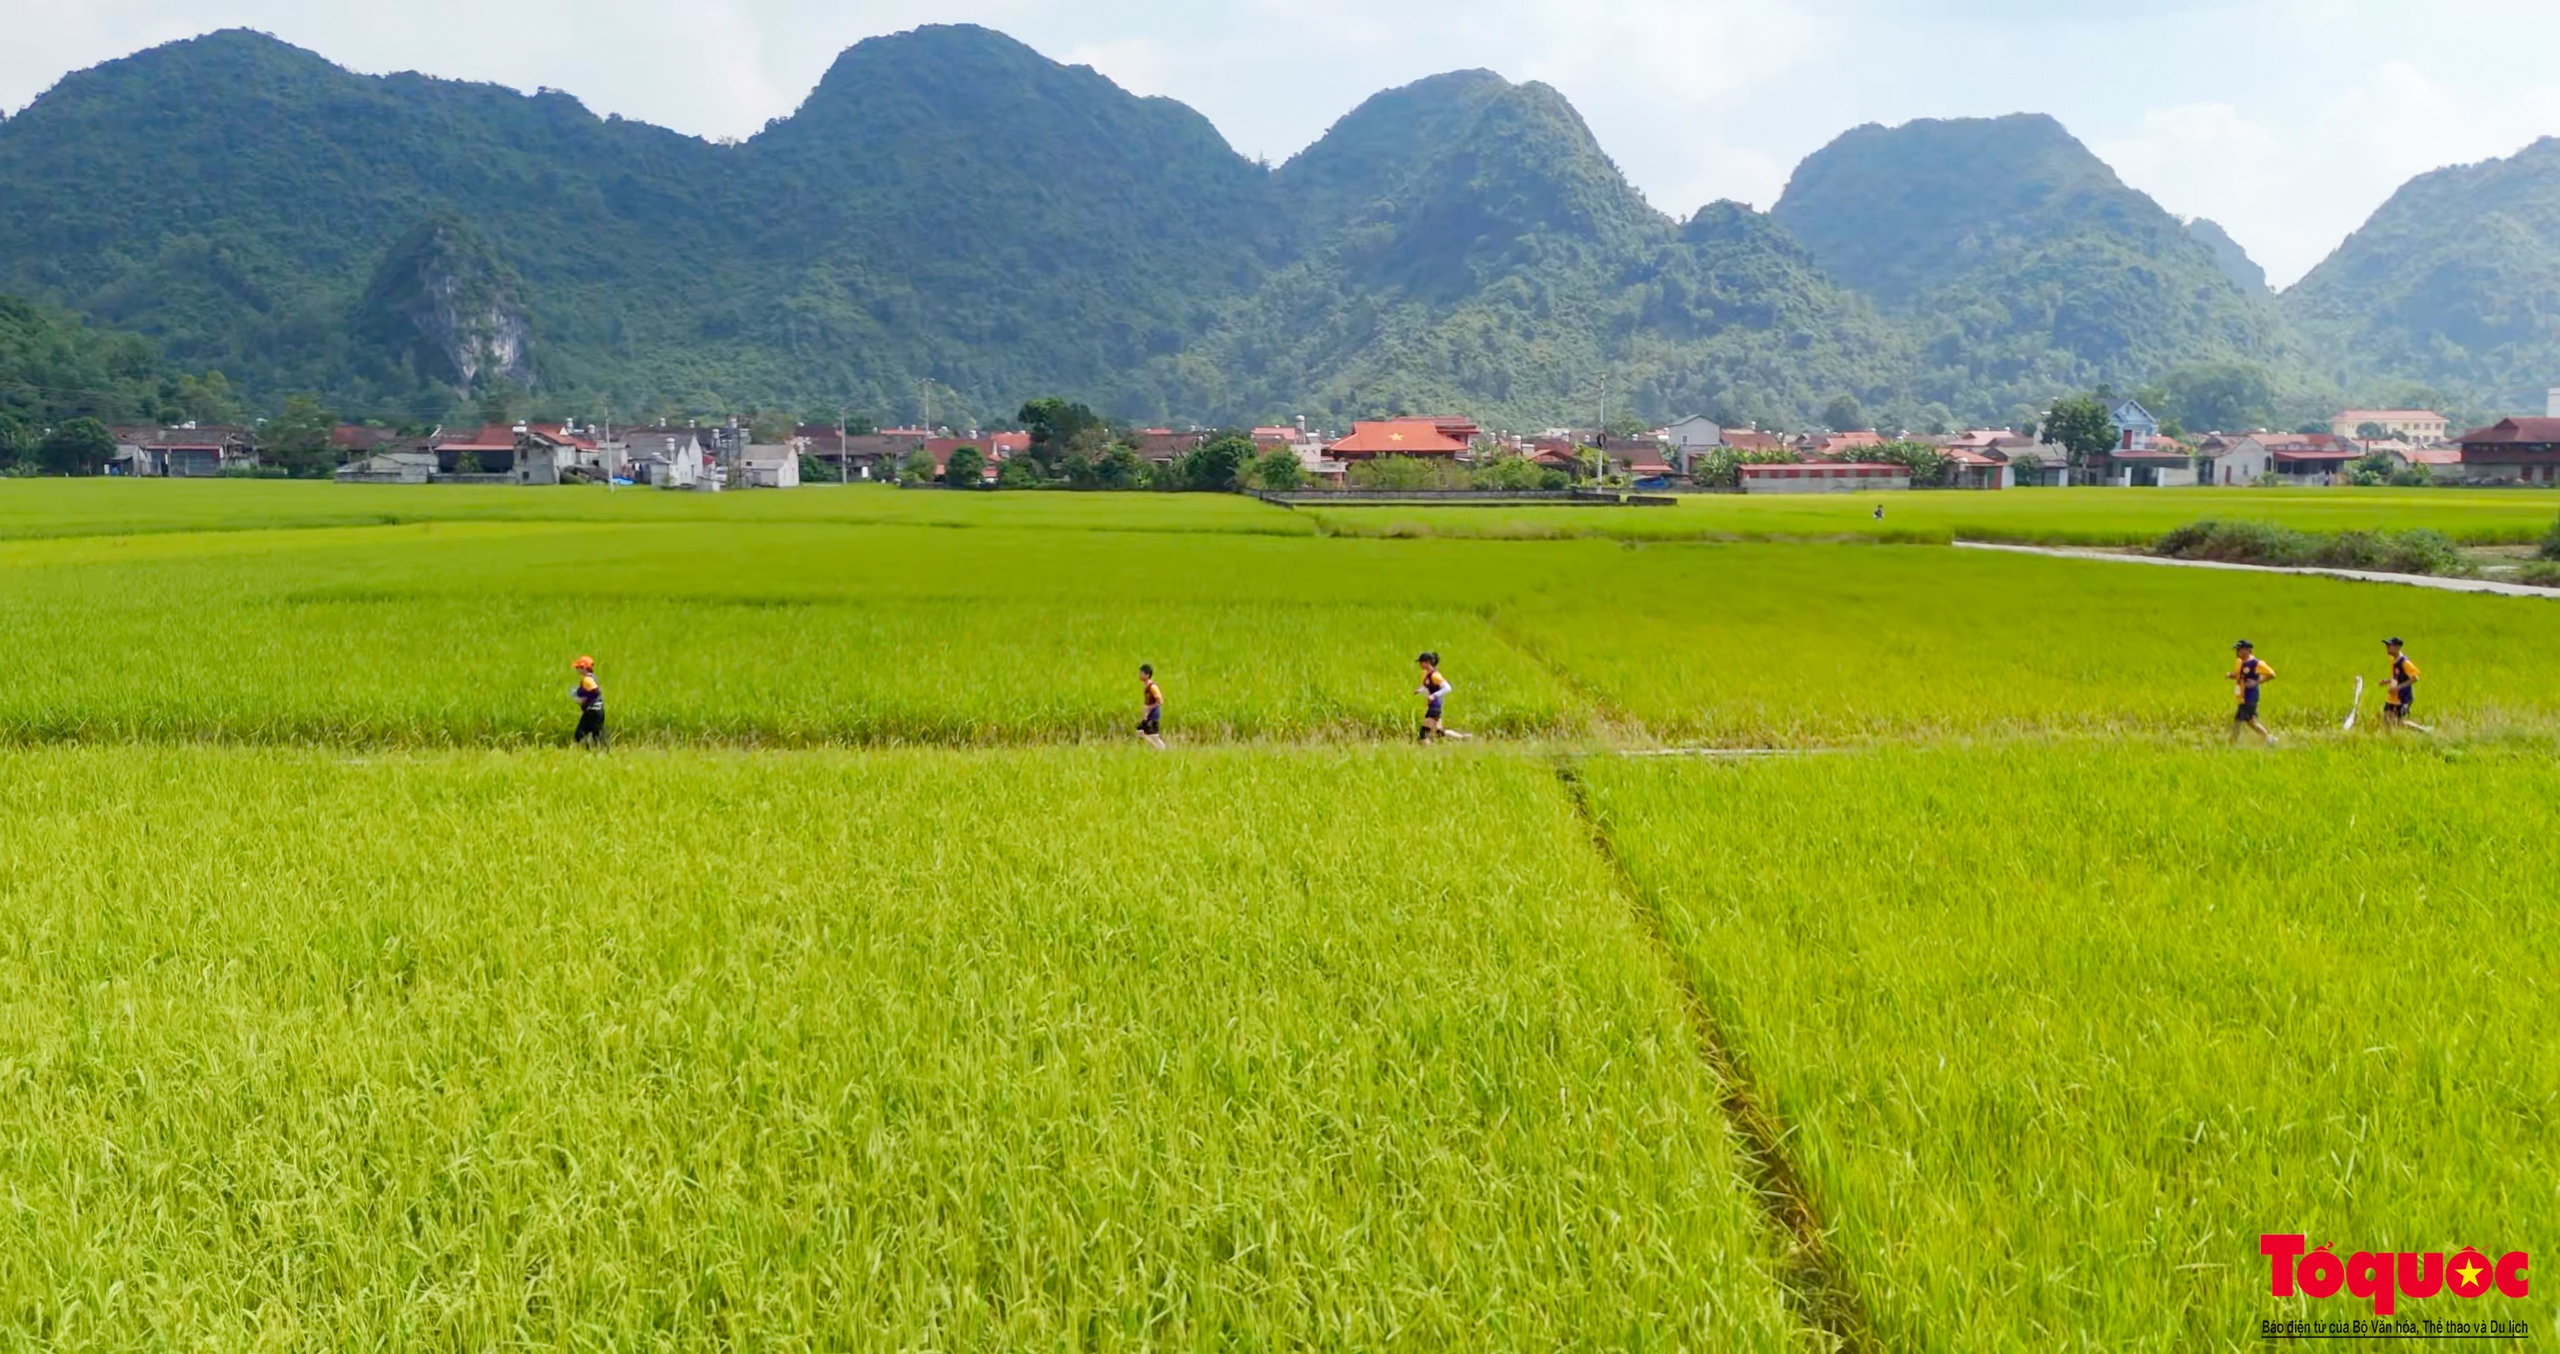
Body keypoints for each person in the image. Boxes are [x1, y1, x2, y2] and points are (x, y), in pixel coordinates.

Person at [2228, 640, 2275, 744]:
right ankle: (2268, 738)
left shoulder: (2256, 663)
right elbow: (2240, 675)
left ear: (2247, 650)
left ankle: (2232, 742)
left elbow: (2271, 674)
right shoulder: (2241, 662)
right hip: (2243, 697)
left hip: (2250, 697)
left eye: (2239, 650)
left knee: (2238, 720)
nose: (2237, 652)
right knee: (2251, 722)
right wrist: (2231, 675)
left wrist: (2257, 682)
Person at [1416, 652, 1467, 743]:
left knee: (1424, 733)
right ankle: (1463, 738)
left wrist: (1434, 696)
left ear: (1427, 662)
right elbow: (1428, 686)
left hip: (1435, 706)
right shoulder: (1425, 674)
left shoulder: (1435, 675)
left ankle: (1426, 750)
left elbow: (1447, 688)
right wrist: (1420, 690)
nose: (1420, 664)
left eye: (1421, 662)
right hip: (1431, 705)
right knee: (1439, 732)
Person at [2382, 637, 2427, 732]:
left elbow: (2415, 678)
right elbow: (2397, 677)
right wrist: (2387, 681)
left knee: (2398, 722)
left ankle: (2422, 730)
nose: (2387, 647)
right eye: (2387, 645)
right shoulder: (2394, 661)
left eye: (2390, 645)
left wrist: (2398, 688)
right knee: (2387, 720)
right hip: (2393, 698)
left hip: (2402, 698)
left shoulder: (2405, 662)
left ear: (2397, 647)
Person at [571, 655, 607, 749]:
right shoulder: (592, 678)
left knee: (580, 733)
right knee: (596, 734)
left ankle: (584, 750)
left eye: (578, 667)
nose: (577, 669)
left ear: (584, 668)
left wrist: (584, 701)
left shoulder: (587, 679)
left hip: (592, 712)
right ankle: (599, 751)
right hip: (598, 711)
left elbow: (596, 692)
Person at [1137, 663, 1166, 749]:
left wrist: (1149, 708)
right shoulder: (1146, 687)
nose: (1140, 675)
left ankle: (1162, 749)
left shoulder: (1152, 687)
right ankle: (1154, 748)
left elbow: (1160, 701)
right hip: (1148, 715)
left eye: (1141, 673)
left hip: (1153, 715)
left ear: (1147, 675)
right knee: (1140, 731)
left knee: (1153, 736)